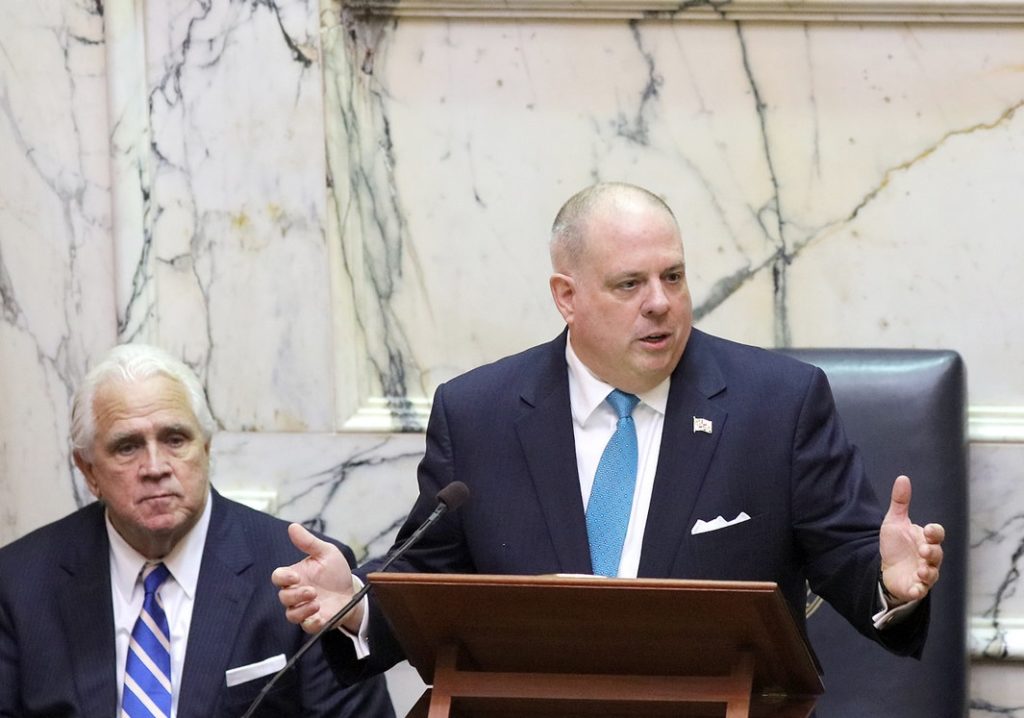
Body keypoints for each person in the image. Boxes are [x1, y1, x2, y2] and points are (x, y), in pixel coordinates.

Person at [272, 182, 945, 686]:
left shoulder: (776, 405)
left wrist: (890, 579)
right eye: (630, 284)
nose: (660, 302)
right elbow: (429, 574)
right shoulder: (479, 413)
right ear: (567, 296)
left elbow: (851, 564)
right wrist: (356, 603)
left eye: (673, 277)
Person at [0, 344, 395, 718]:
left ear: (206, 449)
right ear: (88, 471)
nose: (155, 466)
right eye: (127, 447)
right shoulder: (19, 584)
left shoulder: (303, 574)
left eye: (175, 440)